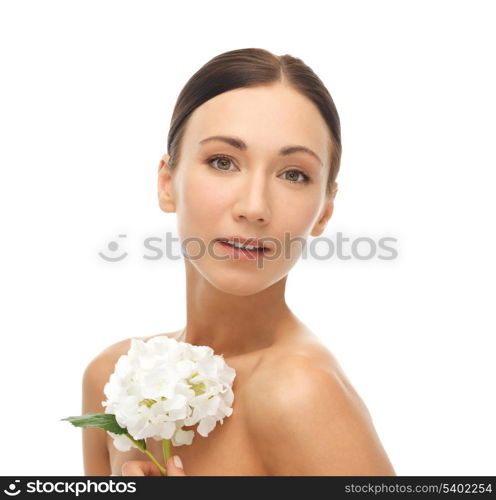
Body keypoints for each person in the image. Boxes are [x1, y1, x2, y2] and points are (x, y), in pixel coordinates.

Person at [82, 47, 396, 476]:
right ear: (167, 182)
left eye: (293, 174)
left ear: (324, 210)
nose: (254, 207)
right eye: (223, 162)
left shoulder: (300, 393)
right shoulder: (112, 379)